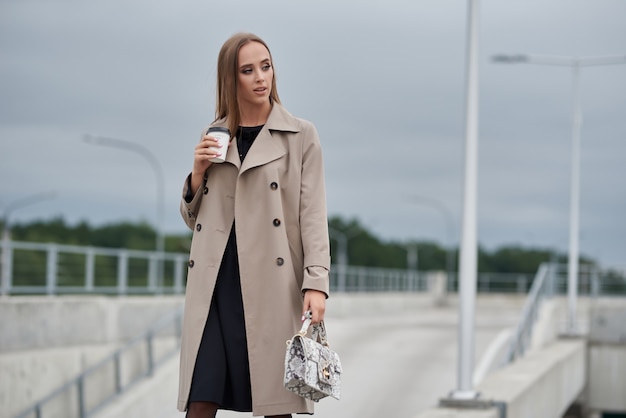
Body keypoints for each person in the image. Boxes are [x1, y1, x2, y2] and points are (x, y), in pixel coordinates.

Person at [177, 32, 331, 418]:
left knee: (275, 404)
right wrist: (197, 173)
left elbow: (312, 214)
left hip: (270, 281)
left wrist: (316, 282)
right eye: (248, 70)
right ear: (232, 79)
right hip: (216, 282)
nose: (261, 77)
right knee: (201, 397)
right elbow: (194, 218)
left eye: (266, 66)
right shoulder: (215, 136)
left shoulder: (301, 135)